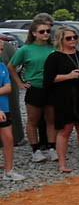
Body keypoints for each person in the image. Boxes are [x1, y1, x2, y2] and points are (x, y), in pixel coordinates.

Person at [44, 26, 79, 171]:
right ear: (61, 40)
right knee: (65, 130)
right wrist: (69, 76)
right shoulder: (54, 57)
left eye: (75, 37)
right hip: (64, 97)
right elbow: (48, 79)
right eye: (69, 38)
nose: (73, 40)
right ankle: (62, 163)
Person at [9, 20, 55, 162]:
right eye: (42, 31)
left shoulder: (54, 47)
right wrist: (20, 83)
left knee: (51, 120)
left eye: (48, 31)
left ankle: (52, 148)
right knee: (33, 120)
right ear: (34, 33)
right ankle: (35, 150)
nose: (46, 34)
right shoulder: (26, 49)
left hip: (52, 87)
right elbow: (11, 66)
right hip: (35, 87)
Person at [0, 58, 25, 180]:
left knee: (8, 139)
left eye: (1, 49)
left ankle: (9, 170)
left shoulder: (2, 66)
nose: (0, 52)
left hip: (4, 109)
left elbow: (8, 88)